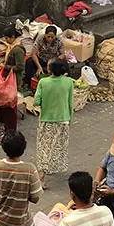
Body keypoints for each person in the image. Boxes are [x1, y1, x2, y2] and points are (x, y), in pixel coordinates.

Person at [33, 59, 73, 190]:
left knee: (45, 147)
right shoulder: (68, 82)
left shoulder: (43, 82)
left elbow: (36, 101)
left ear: (50, 70)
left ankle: (42, 175)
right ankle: (48, 170)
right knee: (56, 147)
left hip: (47, 120)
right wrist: (70, 119)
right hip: (63, 120)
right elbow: (70, 103)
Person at [0, 27, 25, 137]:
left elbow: (20, 67)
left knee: (11, 107)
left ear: (13, 37)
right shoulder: (11, 48)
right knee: (5, 105)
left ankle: (10, 131)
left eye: (7, 38)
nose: (6, 40)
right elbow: (11, 60)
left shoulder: (18, 50)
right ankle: (7, 126)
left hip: (13, 81)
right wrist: (3, 61)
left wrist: (5, 66)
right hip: (8, 80)